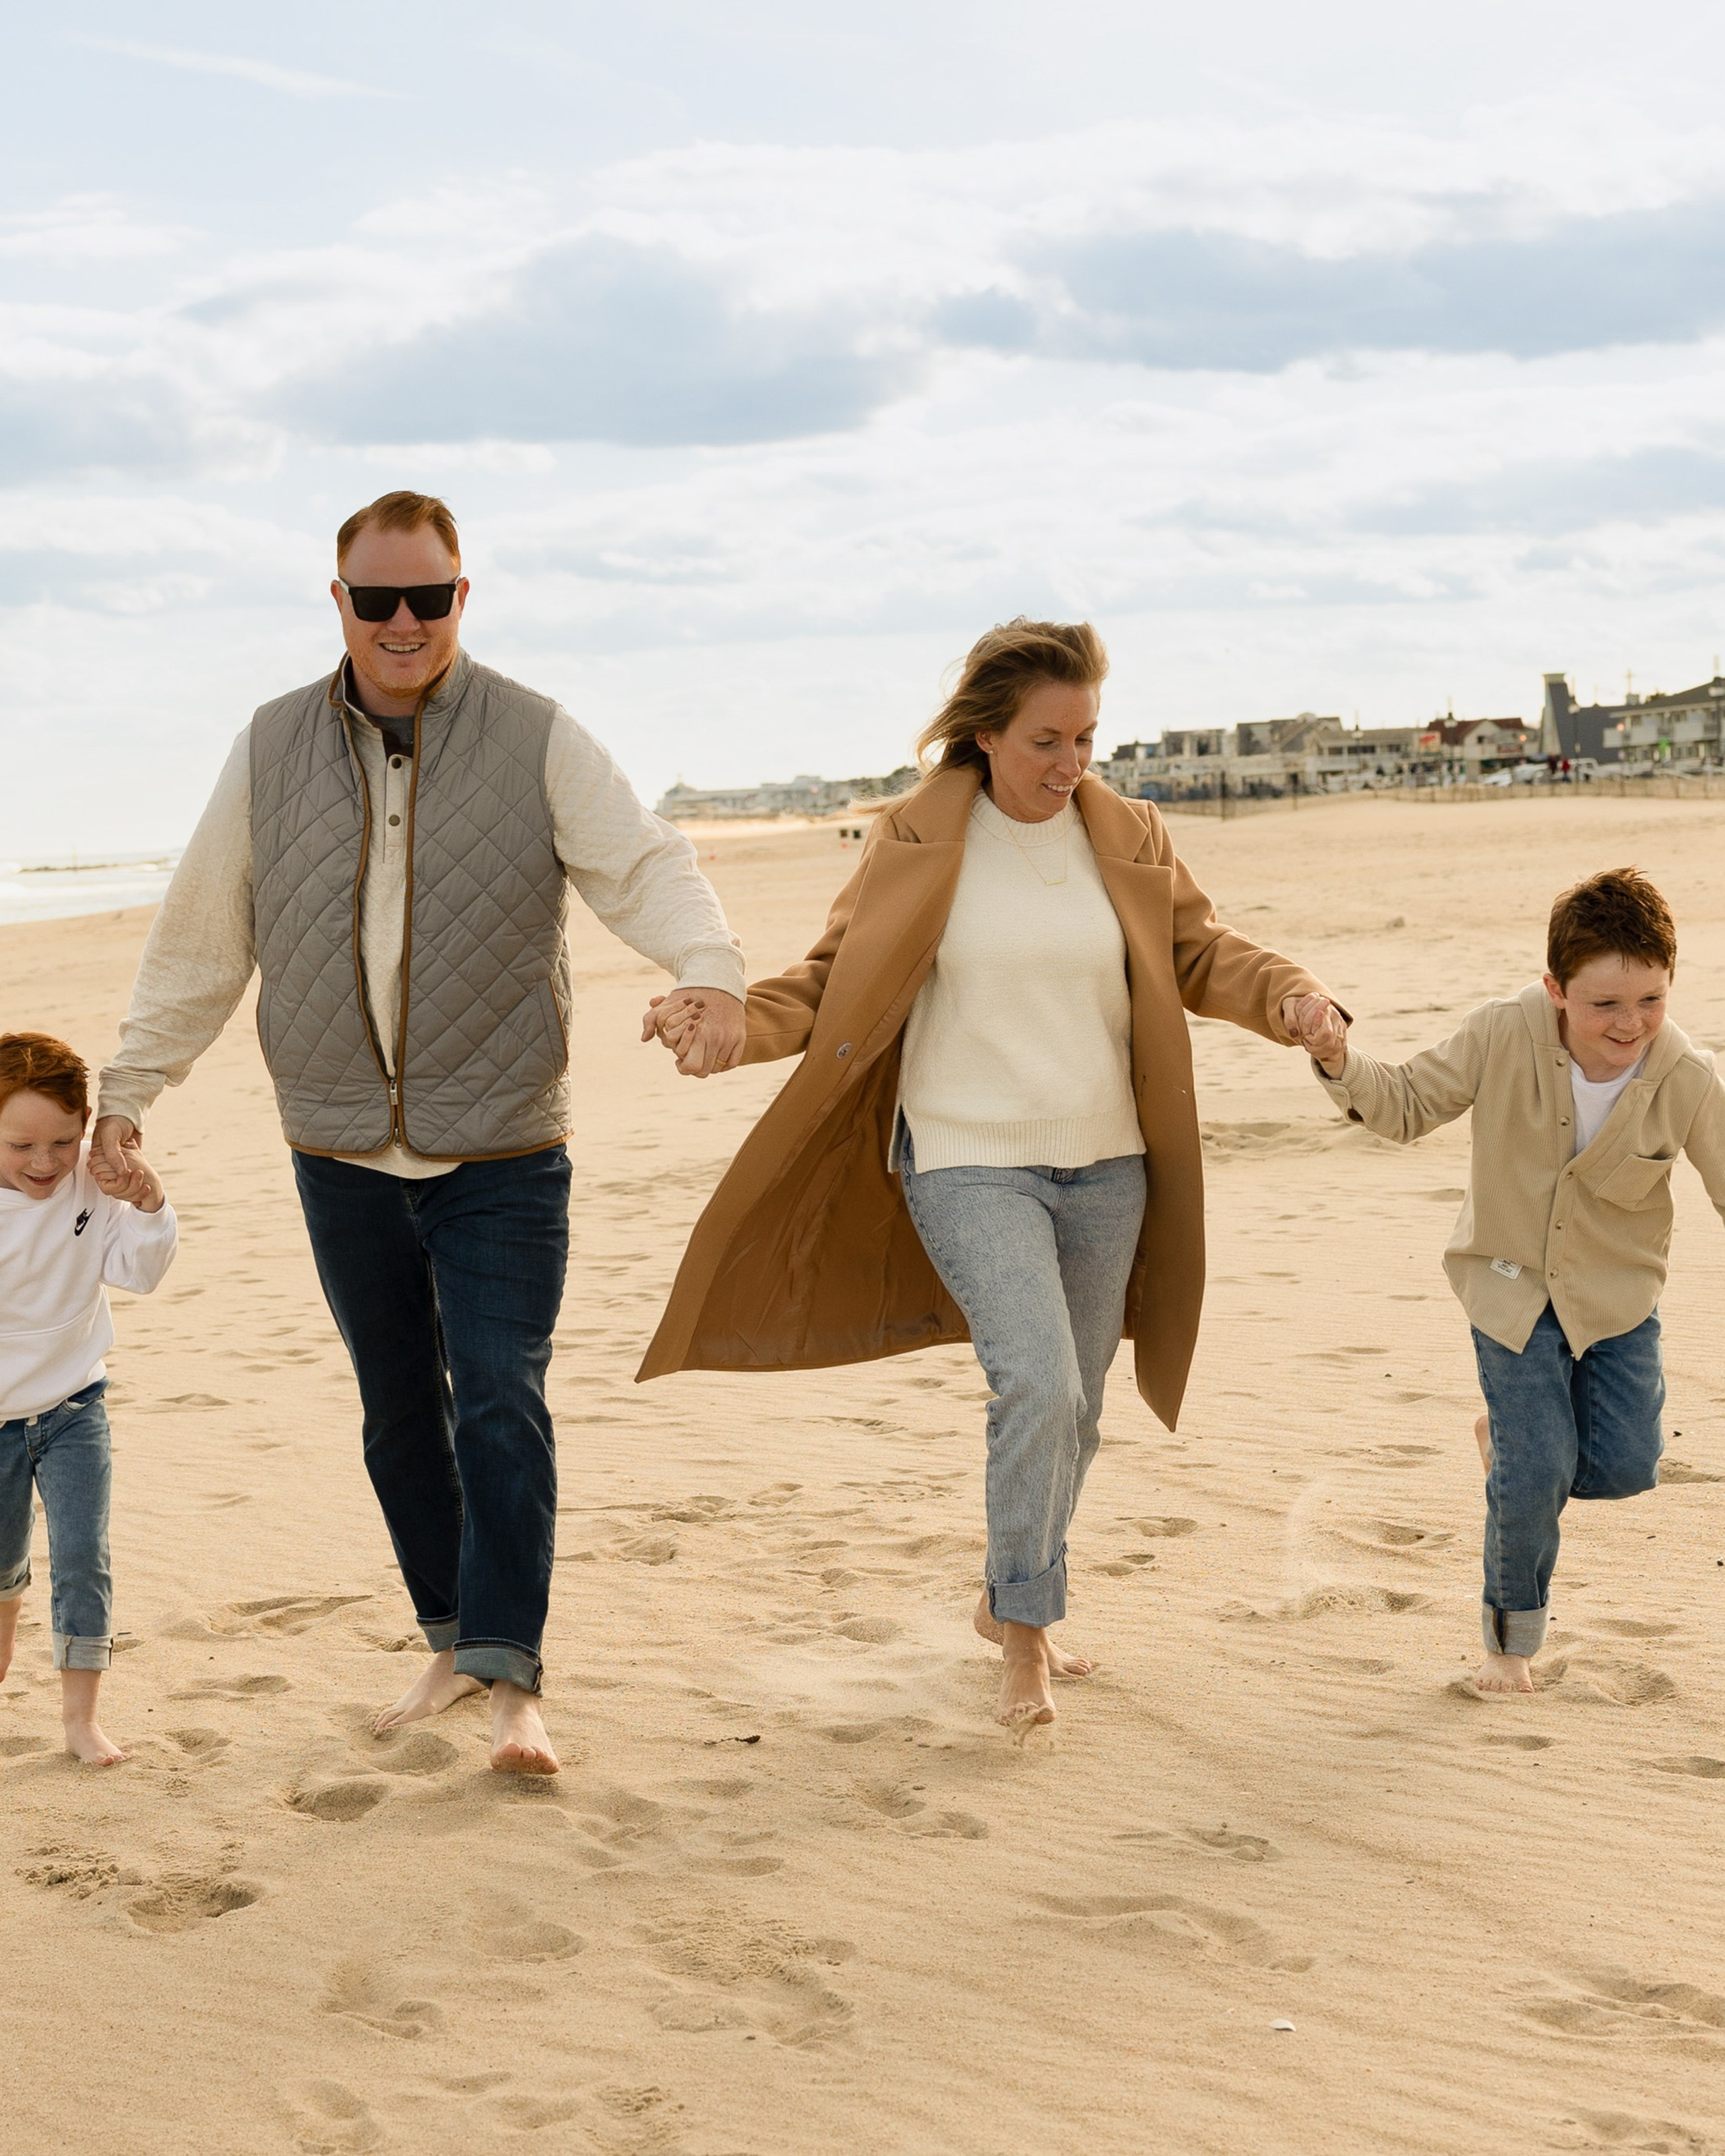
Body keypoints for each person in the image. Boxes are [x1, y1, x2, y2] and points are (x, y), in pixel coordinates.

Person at [93, 490, 747, 1775]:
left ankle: (514, 1683)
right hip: (337, 1149)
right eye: (377, 599)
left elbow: (643, 862)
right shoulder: (271, 746)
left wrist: (709, 967)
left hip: (503, 1146)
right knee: (399, 1413)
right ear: (336, 602)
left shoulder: (536, 737)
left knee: (500, 1397)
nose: (404, 622)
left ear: (462, 597)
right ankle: (449, 1637)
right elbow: (203, 935)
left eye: (429, 598)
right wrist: (129, 1092)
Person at [640, 618, 1342, 1732]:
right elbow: (830, 984)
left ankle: (1008, 1588)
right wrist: (731, 1024)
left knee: (1083, 1410)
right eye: (1046, 742)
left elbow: (1202, 952)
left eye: (1086, 740)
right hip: (967, 1157)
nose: (1070, 766)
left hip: (1110, 1162)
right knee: (1040, 1386)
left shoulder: (1129, 834)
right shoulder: (919, 841)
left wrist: (1293, 998)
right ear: (984, 736)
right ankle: (1027, 1637)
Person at [1291, 866, 1725, 1693]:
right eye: (1604, 1005)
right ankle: (1508, 1643)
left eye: (1650, 1001)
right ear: (1554, 988)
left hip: (1617, 1302)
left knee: (1625, 1465)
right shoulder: (1499, 1032)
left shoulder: (1687, 1075)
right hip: (1510, 1290)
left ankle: (1511, 1448)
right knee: (1536, 1474)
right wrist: (1339, 1057)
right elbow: (1407, 1104)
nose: (1629, 1026)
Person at [0, 1033, 177, 1765]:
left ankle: (80, 1719)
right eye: (22, 1145)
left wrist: (147, 1201)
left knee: (82, 1556)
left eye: (63, 1141)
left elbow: (140, 1271)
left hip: (75, 1409)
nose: (45, 1162)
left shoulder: (92, 1188)